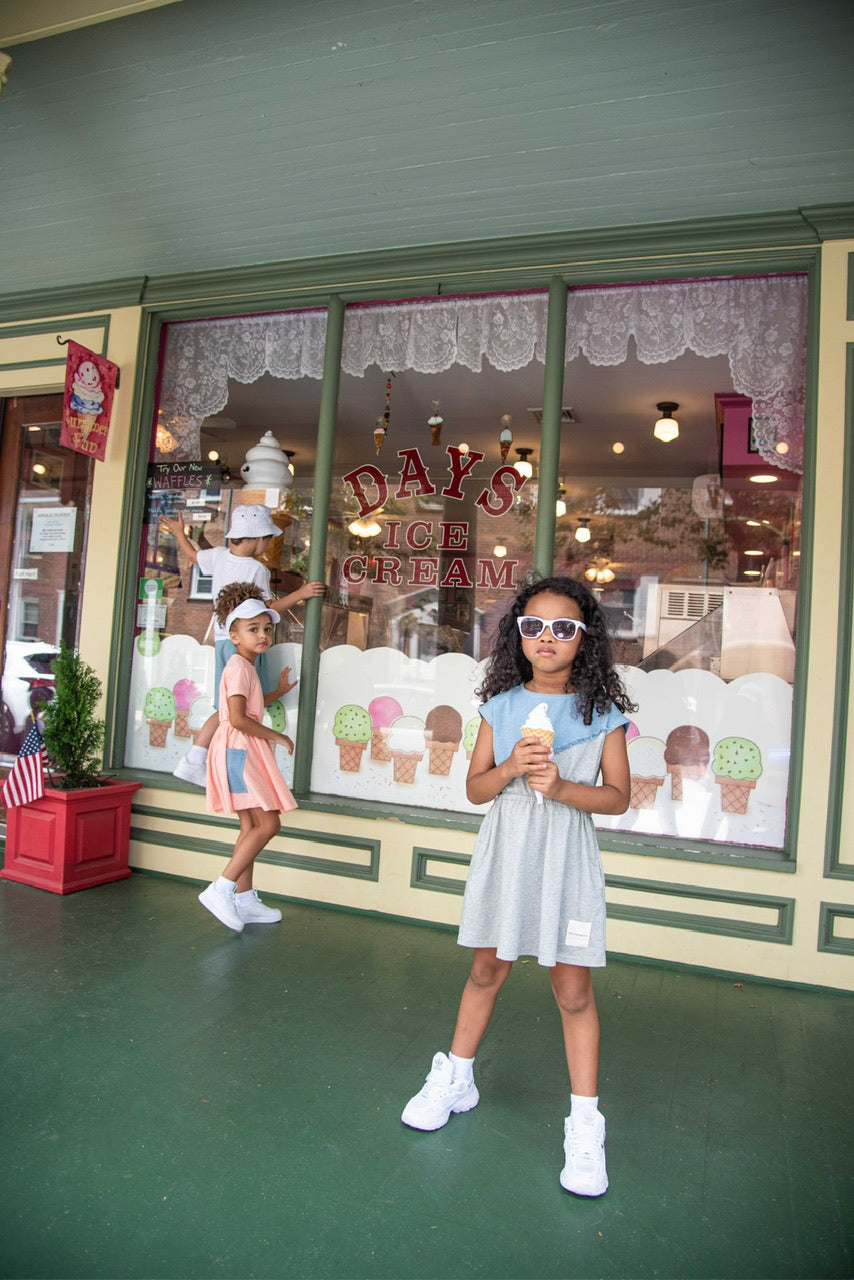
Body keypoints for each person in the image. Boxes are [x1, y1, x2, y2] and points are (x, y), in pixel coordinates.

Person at [401, 576, 635, 1198]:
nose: (547, 639)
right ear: (518, 636)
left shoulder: (600, 713)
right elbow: (476, 789)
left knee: (572, 987)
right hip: (505, 855)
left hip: (568, 862)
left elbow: (617, 797)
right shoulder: (499, 708)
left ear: (584, 640)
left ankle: (585, 1122)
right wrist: (510, 766)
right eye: (533, 627)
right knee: (486, 969)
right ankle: (456, 1076)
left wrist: (560, 787)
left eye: (563, 628)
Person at [160, 503, 325, 786]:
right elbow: (268, 606)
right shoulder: (256, 569)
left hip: (225, 640)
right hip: (245, 643)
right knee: (234, 709)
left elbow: (192, 556)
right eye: (269, 538)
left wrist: (178, 533)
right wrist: (302, 593)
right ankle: (196, 760)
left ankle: (207, 762)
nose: (269, 543)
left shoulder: (220, 555)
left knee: (232, 705)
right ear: (259, 537)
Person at [197, 583, 299, 932]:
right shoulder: (240, 667)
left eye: (267, 628)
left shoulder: (244, 667)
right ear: (234, 635)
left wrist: (278, 692)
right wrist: (278, 735)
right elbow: (238, 718)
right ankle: (221, 888)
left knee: (251, 826)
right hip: (239, 750)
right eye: (253, 629)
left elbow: (246, 706)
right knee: (268, 824)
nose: (263, 635)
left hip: (238, 749)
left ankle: (244, 898)